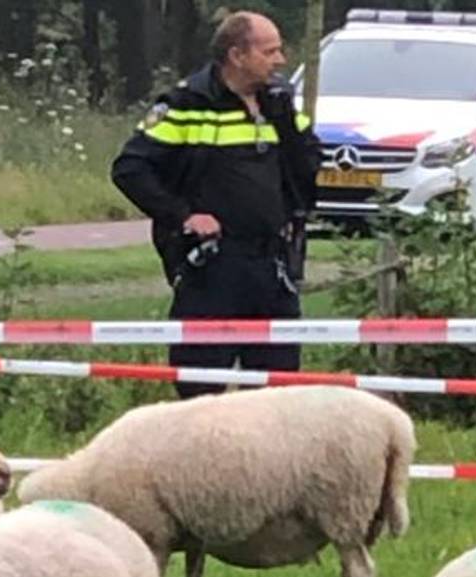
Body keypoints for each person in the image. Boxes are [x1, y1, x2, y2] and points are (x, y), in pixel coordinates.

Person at [111, 11, 320, 399]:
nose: (281, 60)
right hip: (213, 268)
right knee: (199, 391)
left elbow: (308, 167)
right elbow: (130, 169)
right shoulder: (188, 103)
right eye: (270, 51)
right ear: (237, 55)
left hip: (273, 267)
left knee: (279, 394)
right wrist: (183, 215)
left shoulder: (280, 104)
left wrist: (286, 125)